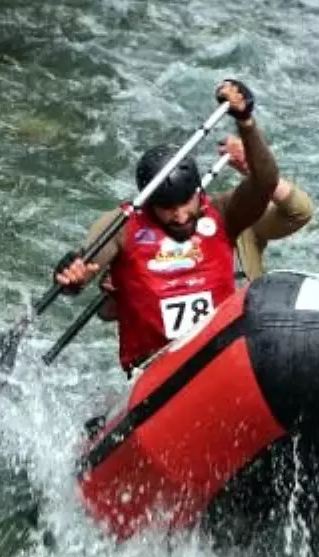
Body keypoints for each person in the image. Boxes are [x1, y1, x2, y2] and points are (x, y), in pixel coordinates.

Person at [53, 79, 278, 374]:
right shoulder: (122, 226)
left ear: (199, 193)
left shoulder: (224, 214)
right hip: (153, 371)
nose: (182, 216)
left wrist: (246, 123)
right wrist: (74, 275)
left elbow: (265, 183)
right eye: (168, 209)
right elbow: (86, 264)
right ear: (150, 204)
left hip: (219, 357)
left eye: (187, 204)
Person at [212, 135, 315, 282]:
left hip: (248, 300)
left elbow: (299, 211)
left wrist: (252, 169)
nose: (180, 216)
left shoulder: (230, 212)